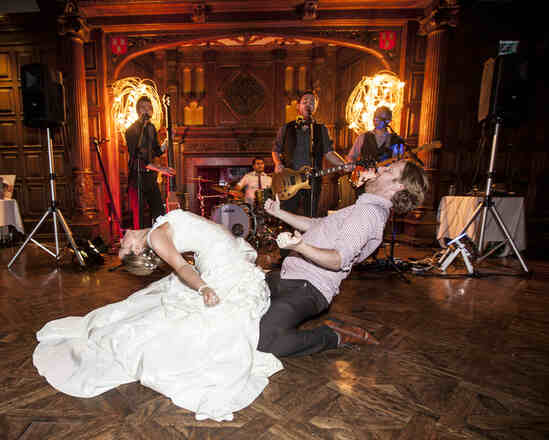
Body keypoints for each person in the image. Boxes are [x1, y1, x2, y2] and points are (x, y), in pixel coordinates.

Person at [32, 209, 283, 422]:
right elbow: (183, 266)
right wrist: (204, 288)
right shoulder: (155, 237)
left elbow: (207, 230)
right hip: (227, 275)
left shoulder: (158, 227)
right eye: (125, 247)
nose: (122, 240)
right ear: (140, 248)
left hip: (231, 265)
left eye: (120, 246)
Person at [257, 160, 428, 356]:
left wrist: (301, 246)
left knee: (262, 342)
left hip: (308, 288)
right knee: (236, 301)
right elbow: (318, 225)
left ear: (398, 186)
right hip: (290, 277)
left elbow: (338, 260)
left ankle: (332, 335)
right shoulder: (363, 207)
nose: (379, 169)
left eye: (388, 170)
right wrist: (278, 213)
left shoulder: (367, 213)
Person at [272, 90, 346, 218]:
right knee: (287, 216)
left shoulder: (321, 129)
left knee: (309, 216)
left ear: (315, 107)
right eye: (305, 101)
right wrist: (278, 163)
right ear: (298, 106)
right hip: (289, 179)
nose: (308, 104)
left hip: (312, 180)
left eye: (312, 102)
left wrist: (344, 164)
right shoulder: (286, 128)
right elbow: (276, 150)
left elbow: (329, 152)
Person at [124, 96, 168, 229]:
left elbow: (156, 152)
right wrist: (160, 168)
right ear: (137, 111)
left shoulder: (151, 128)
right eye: (143, 108)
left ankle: (157, 243)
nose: (147, 111)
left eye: (149, 108)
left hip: (150, 178)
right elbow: (138, 157)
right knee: (141, 218)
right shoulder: (131, 130)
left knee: (160, 214)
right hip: (137, 178)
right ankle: (140, 247)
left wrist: (166, 143)